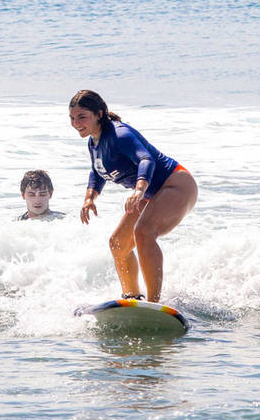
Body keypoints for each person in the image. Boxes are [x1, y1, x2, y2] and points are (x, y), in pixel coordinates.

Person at [69, 89, 197, 303]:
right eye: (72, 118)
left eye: (82, 117)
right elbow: (97, 170)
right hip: (150, 192)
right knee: (118, 243)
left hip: (176, 183)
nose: (75, 123)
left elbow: (146, 160)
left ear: (99, 114)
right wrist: (90, 198)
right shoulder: (94, 142)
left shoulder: (120, 135)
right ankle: (131, 297)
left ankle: (154, 303)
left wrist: (138, 189)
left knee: (144, 232)